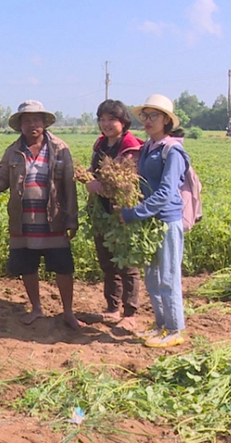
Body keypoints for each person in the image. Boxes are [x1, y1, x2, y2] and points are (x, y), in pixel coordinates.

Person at [0, 100, 84, 330]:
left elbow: (69, 187)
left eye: (36, 119)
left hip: (53, 219)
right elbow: (1, 181)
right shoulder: (13, 152)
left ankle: (68, 312)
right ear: (20, 124)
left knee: (63, 267)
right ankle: (36, 308)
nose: (32, 124)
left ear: (44, 123)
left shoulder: (60, 149)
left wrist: (72, 219)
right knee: (28, 266)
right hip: (23, 221)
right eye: (27, 120)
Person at [119, 94, 189, 348]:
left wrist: (132, 213)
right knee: (152, 276)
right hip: (150, 222)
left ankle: (175, 329)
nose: (147, 121)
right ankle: (160, 325)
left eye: (154, 116)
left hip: (167, 221)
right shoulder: (149, 146)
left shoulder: (173, 150)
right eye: (145, 116)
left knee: (168, 277)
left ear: (167, 120)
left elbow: (166, 193)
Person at [85, 100, 144, 332]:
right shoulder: (101, 144)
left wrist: (97, 185)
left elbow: (126, 183)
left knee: (126, 262)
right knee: (107, 261)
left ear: (123, 121)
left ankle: (130, 312)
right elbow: (93, 172)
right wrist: (88, 177)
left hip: (122, 212)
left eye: (111, 119)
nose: (106, 124)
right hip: (101, 211)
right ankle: (112, 307)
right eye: (102, 119)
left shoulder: (130, 147)